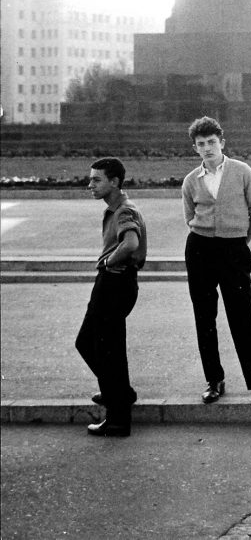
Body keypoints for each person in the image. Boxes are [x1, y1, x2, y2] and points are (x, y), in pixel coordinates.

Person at [182, 116, 251, 407]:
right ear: (195, 148)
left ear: (222, 143)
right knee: (205, 317)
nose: (207, 148)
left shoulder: (242, 172)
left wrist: (239, 241)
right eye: (201, 144)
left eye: (211, 142)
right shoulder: (191, 180)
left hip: (233, 250)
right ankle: (213, 381)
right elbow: (190, 216)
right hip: (200, 249)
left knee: (242, 317)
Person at [75, 157, 147, 438]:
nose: (89, 184)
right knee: (91, 343)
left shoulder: (124, 211)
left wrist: (108, 263)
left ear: (114, 182)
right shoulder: (119, 208)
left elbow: (131, 243)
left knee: (107, 350)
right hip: (114, 283)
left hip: (115, 282)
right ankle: (119, 393)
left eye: (96, 179)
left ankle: (118, 418)